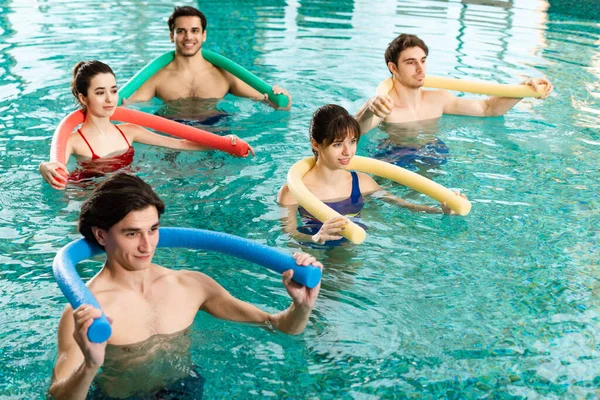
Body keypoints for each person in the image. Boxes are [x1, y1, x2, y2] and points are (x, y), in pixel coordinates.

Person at [48, 173, 323, 399]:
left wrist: (301, 306)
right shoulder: (87, 312)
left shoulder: (190, 285)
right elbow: (56, 396)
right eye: (132, 234)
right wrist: (89, 365)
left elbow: (279, 326)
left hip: (186, 390)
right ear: (101, 235)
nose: (147, 245)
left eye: (153, 230)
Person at [39, 61, 254, 190]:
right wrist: (44, 167)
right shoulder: (74, 141)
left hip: (130, 191)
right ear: (83, 98)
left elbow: (180, 144)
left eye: (113, 90)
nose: (109, 99)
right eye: (99, 92)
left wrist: (225, 144)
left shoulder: (129, 131)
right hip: (89, 195)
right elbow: (56, 164)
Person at [278, 104, 466, 245]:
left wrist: (443, 209)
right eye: (337, 144)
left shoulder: (362, 182)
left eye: (352, 142)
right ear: (316, 144)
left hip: (353, 247)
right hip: (313, 253)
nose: (347, 152)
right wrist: (316, 238)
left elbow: (408, 207)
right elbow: (289, 235)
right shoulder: (294, 191)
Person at [355, 33, 554, 133]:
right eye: (410, 62)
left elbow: (488, 109)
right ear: (393, 68)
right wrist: (369, 108)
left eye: (423, 60)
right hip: (395, 160)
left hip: (432, 156)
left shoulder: (439, 100)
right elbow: (356, 130)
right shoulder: (385, 107)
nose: (420, 68)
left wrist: (523, 89)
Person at [125, 6, 292, 111]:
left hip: (217, 132)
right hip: (172, 134)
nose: (188, 37)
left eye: (194, 31)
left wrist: (283, 97)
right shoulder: (157, 77)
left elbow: (275, 104)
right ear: (171, 36)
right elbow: (126, 107)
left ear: (204, 35)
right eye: (181, 31)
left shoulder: (223, 75)